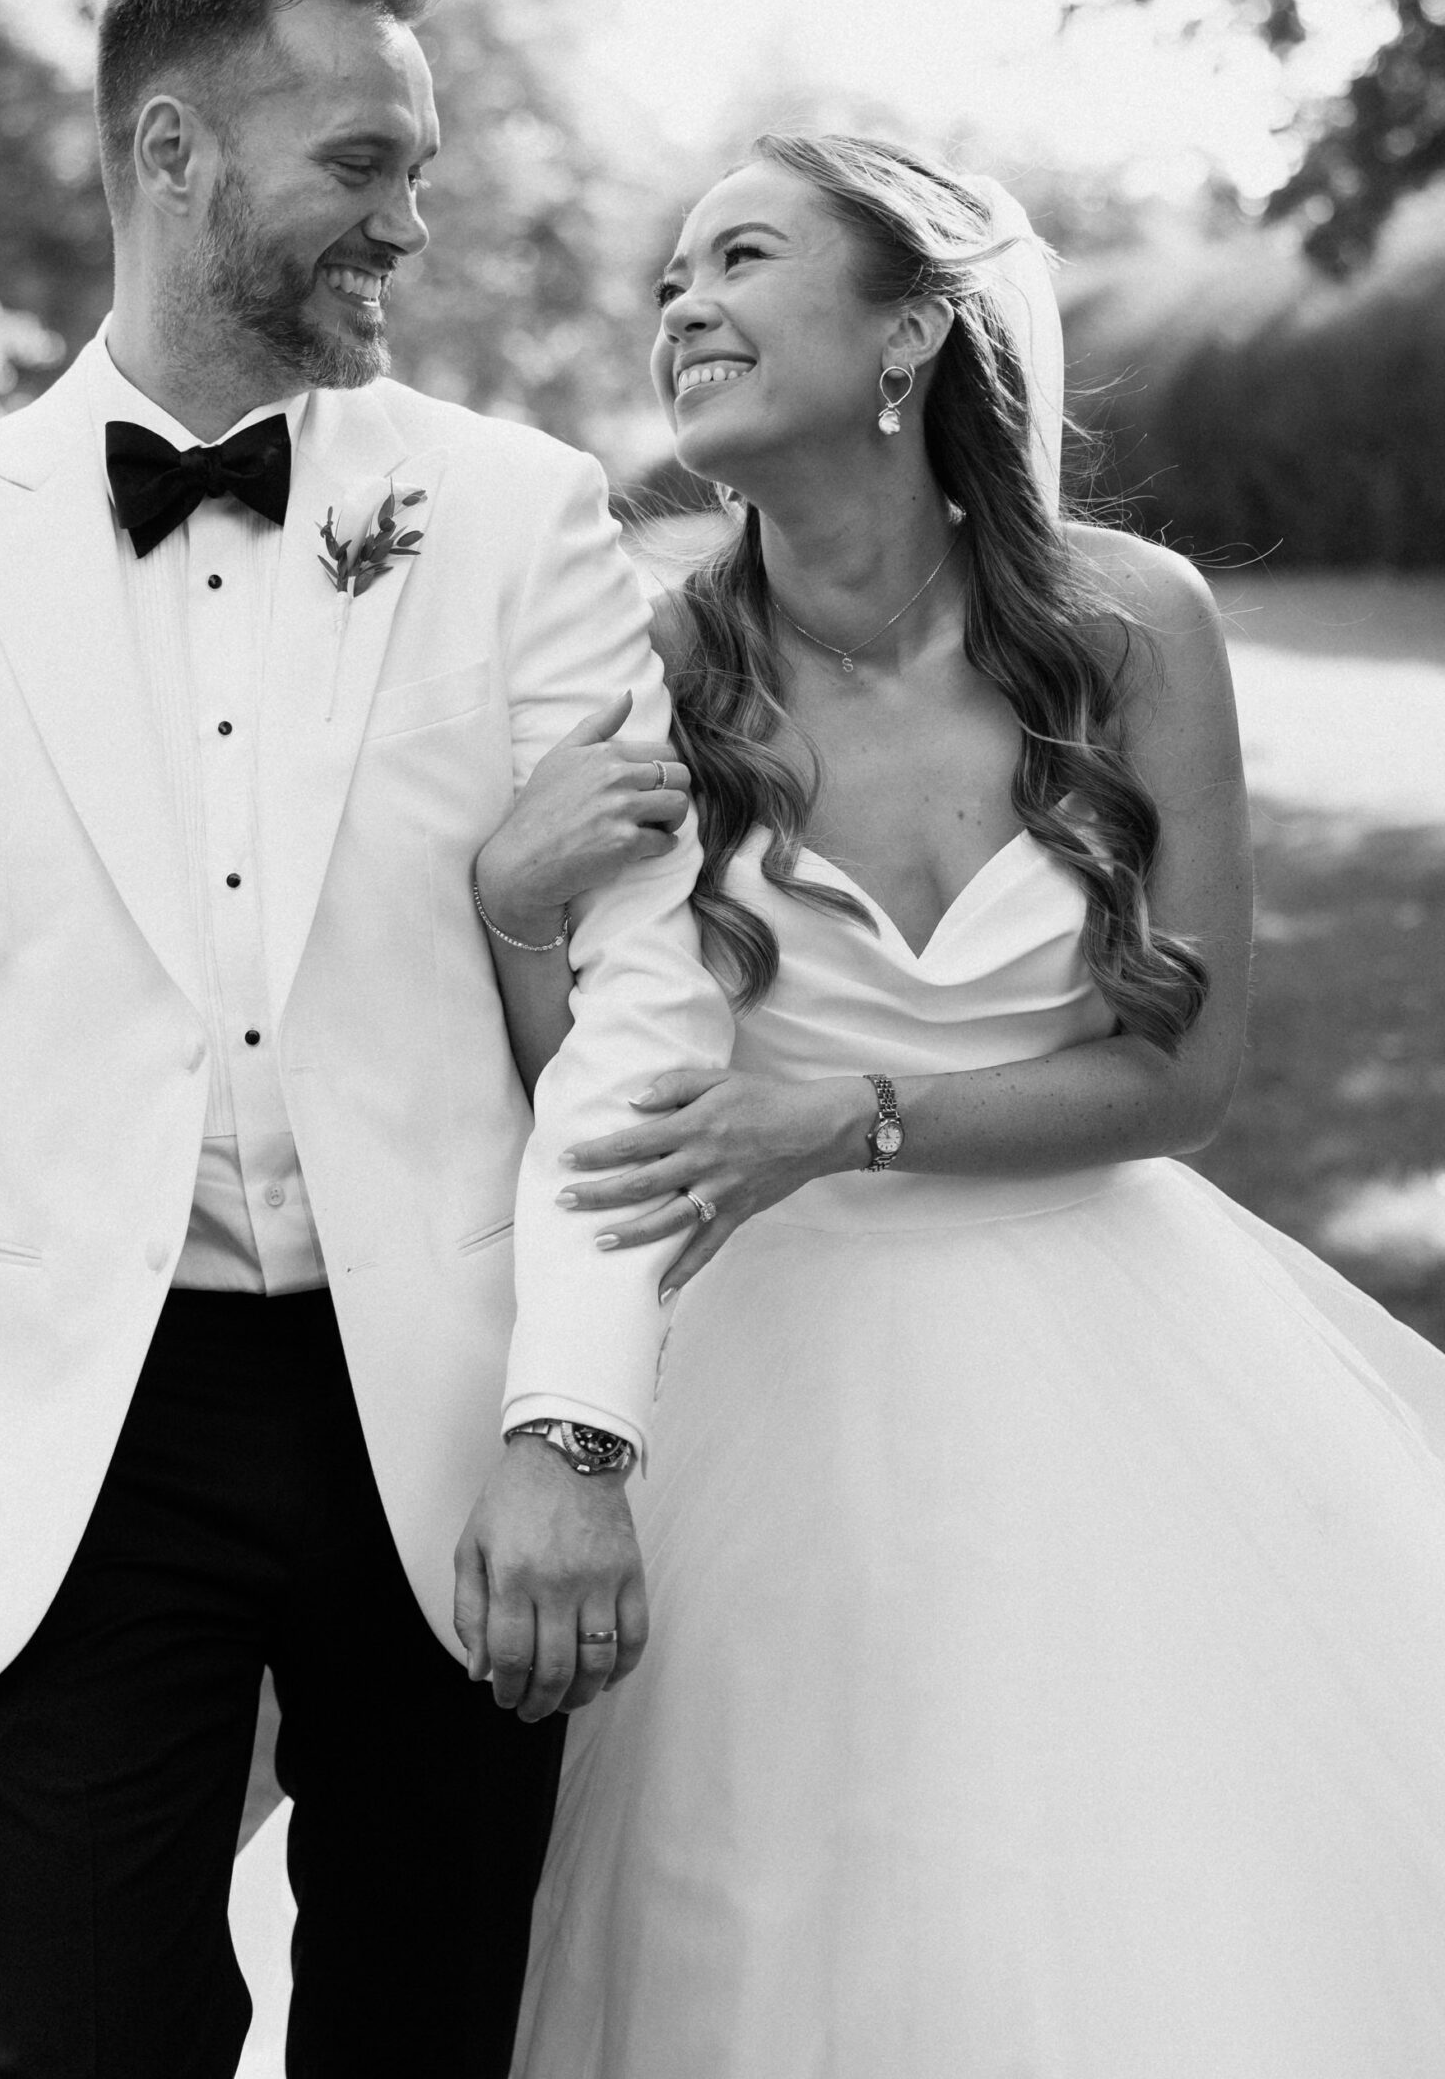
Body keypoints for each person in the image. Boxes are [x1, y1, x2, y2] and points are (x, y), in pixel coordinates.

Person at [0, 0, 734, 2079]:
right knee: (85, 2040)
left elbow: (645, 1007)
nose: (411, 220)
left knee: (431, 2031)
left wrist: (573, 1421)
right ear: (172, 153)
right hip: (76, 1432)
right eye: (361, 161)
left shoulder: (520, 514)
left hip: (448, 1408)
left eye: (420, 165)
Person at [467, 132, 1445, 2078]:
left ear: (909, 329)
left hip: (1116, 1350)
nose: (682, 307)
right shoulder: (661, 658)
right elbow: (600, 1085)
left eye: (740, 259)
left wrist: (851, 1116)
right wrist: (512, 908)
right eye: (670, 281)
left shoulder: (1134, 623)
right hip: (774, 1387)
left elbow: (1184, 1074)